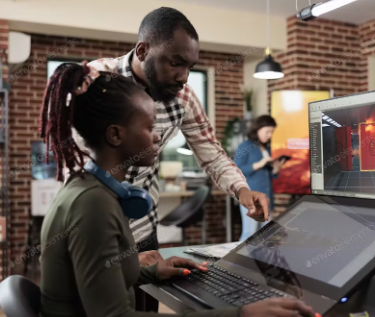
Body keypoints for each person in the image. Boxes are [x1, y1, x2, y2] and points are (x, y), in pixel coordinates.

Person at [38, 63, 316, 317]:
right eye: (148, 127)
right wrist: (240, 314)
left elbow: (96, 277)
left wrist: (150, 272)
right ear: (115, 135)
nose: (158, 135)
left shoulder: (89, 189)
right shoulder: (94, 205)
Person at [69, 7, 270, 261]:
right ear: (143, 51)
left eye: (190, 67)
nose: (184, 77)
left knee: (144, 300)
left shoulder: (183, 98)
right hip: (92, 227)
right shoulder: (97, 81)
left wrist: (242, 190)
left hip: (143, 231)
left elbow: (212, 154)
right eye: (175, 63)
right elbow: (73, 159)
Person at [234, 116, 287, 241]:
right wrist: (260, 163)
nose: (269, 135)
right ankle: (239, 260)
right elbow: (236, 170)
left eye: (271, 132)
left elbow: (267, 174)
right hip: (251, 198)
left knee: (265, 235)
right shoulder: (245, 146)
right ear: (258, 129)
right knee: (249, 233)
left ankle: (258, 260)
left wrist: (276, 169)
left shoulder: (267, 148)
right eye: (267, 131)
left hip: (267, 198)